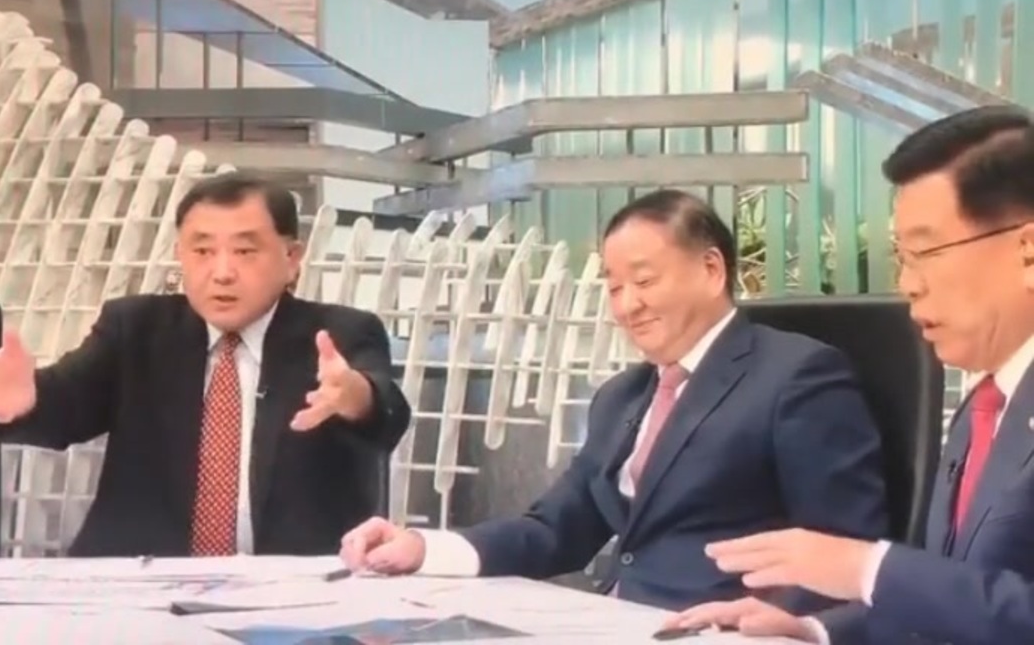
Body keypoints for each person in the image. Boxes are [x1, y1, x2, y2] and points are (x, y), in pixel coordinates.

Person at [339, 190, 889, 612]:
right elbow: (557, 529)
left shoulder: (797, 376)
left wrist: (777, 627)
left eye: (643, 281)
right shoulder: (622, 396)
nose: (627, 306)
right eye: (614, 286)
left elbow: (845, 549)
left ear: (711, 269)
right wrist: (423, 548)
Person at [667, 106, 1034, 645]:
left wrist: (867, 568)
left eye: (925, 252)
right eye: (901, 257)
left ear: (1027, 251)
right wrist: (814, 628)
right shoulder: (987, 405)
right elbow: (957, 598)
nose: (908, 283)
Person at [0, 172, 412, 557]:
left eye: (245, 252)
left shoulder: (340, 334)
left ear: (291, 259)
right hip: (141, 587)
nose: (222, 272)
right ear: (180, 254)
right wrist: (24, 401)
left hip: (294, 592)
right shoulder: (135, 328)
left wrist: (355, 396)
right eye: (202, 251)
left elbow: (387, 415)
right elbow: (67, 403)